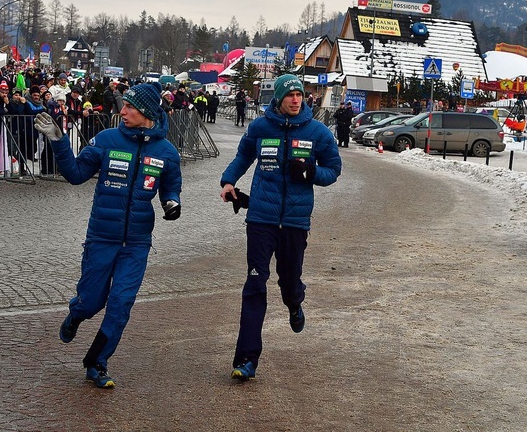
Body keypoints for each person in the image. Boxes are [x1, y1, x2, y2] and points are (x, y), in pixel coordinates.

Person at [33, 82, 182, 389]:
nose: (122, 111)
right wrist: (59, 142)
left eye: (129, 107)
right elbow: (75, 175)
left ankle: (97, 362)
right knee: (91, 302)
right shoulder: (106, 139)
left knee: (120, 304)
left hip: (138, 242)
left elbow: (170, 186)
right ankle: (76, 315)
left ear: (147, 112)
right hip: (102, 237)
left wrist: (172, 202)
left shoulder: (167, 152)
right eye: (123, 105)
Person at [219, 73, 342, 382]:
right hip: (260, 218)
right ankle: (246, 359)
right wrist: (229, 180)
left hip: (296, 223)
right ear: (278, 98)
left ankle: (294, 302)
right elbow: (243, 156)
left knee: (288, 282)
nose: (295, 99)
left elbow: (334, 170)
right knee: (255, 285)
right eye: (290, 95)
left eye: (299, 94)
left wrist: (311, 171)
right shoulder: (260, 128)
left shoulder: (318, 132)